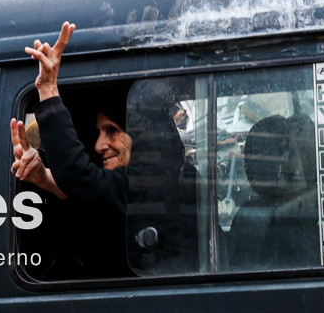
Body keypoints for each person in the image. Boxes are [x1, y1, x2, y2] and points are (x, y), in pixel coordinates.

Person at [11, 21, 194, 278]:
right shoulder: (154, 178)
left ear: (142, 136)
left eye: (113, 131)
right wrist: (44, 178)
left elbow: (86, 181)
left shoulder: (156, 179)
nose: (98, 145)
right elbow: (96, 193)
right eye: (98, 132)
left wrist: (49, 90)